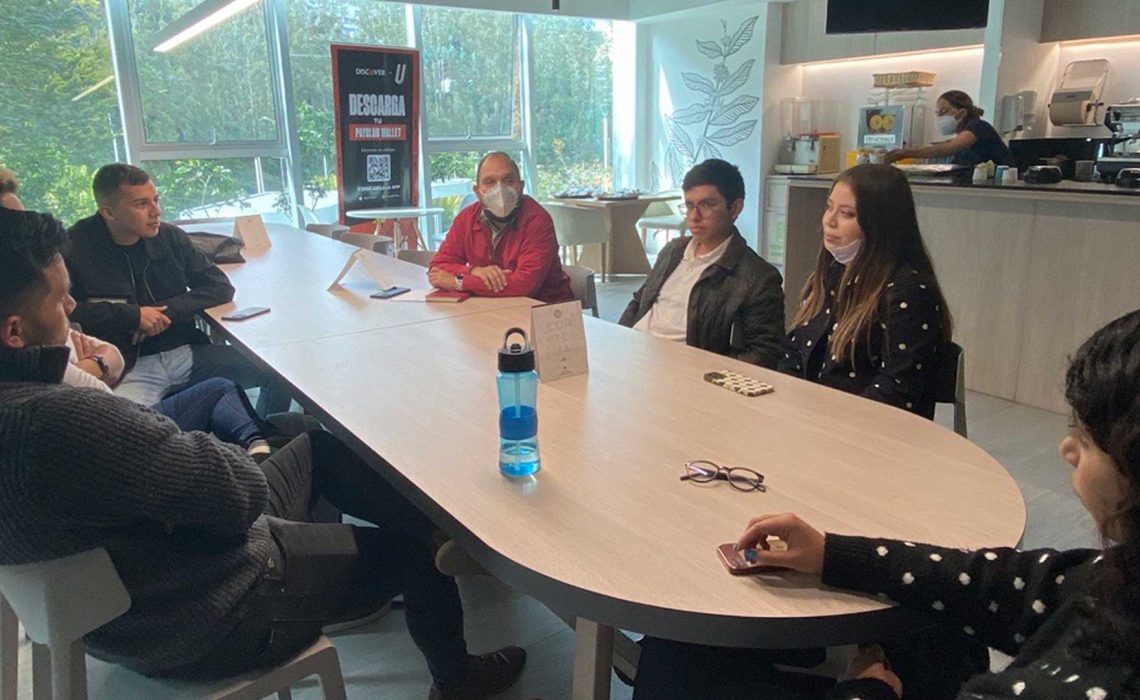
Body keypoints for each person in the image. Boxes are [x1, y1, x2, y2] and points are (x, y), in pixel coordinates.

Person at [0, 207, 527, 699]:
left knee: (313, 444)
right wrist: (225, 447)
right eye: (61, 300)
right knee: (414, 555)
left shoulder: (28, 409)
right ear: (15, 332)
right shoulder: (63, 421)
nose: (74, 310)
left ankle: (444, 534)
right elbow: (239, 495)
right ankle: (457, 675)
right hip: (216, 613)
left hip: (136, 603)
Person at [735, 308, 1140, 699]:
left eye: (1086, 440)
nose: (1066, 448)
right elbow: (1002, 581)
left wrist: (868, 691)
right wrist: (833, 553)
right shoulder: (1115, 575)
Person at [65, 163, 287, 412]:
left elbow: (219, 286)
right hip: (127, 365)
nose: (156, 211)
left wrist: (164, 312)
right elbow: (64, 313)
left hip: (183, 350)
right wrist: (133, 316)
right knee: (119, 426)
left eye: (156, 200)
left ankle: (270, 433)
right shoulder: (73, 248)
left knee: (280, 373)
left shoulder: (169, 237)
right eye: (141, 204)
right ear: (108, 212)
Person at [779, 164, 953, 419]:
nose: (829, 221)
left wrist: (822, 419)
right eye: (829, 207)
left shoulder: (909, 292)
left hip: (868, 428)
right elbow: (795, 352)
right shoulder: (833, 272)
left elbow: (896, 391)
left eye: (847, 214)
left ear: (880, 224)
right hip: (815, 417)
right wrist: (786, 399)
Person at [618, 159, 786, 368]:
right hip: (637, 355)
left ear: (735, 208)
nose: (694, 217)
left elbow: (765, 353)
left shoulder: (758, 277)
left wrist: (705, 373)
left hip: (684, 370)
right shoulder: (673, 251)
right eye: (689, 206)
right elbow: (640, 301)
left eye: (707, 205)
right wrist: (619, 340)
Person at [63, 327, 270, 458]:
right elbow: (100, 394)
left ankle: (260, 447)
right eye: (59, 299)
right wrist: (100, 366)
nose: (69, 304)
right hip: (116, 440)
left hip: (122, 405)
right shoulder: (50, 365)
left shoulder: (63, 332)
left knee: (221, 389)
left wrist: (95, 365)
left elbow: (114, 357)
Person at [428, 152, 574, 304]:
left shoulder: (537, 220)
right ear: (477, 191)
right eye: (490, 182)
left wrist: (459, 282)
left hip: (545, 309)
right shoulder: (467, 218)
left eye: (509, 181)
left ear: (521, 186)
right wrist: (474, 271)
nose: (500, 188)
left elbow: (523, 285)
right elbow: (437, 269)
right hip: (491, 306)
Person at [885, 90, 1015, 168]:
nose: (939, 117)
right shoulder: (963, 133)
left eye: (943, 111)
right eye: (937, 113)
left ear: (962, 113)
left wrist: (905, 153)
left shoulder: (978, 127)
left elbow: (949, 148)